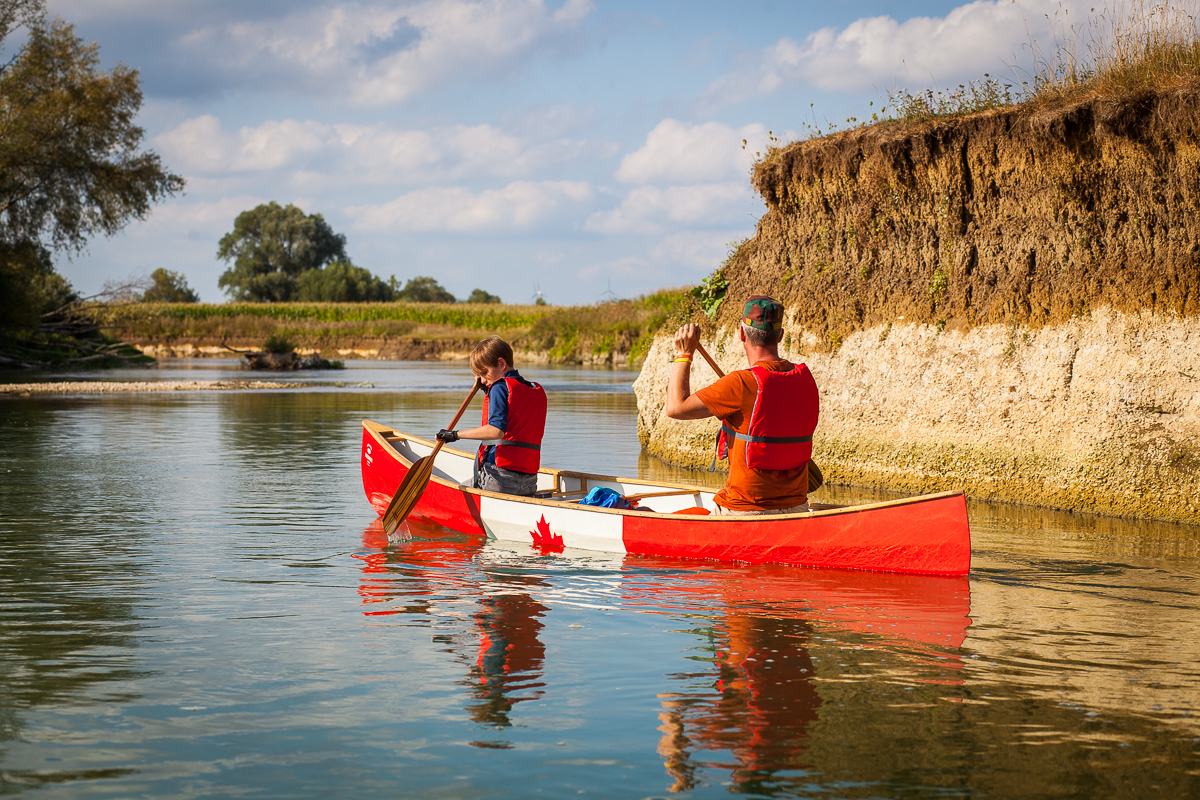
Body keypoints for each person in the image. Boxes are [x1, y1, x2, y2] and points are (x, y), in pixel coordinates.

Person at [664, 296, 818, 515]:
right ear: (780, 335)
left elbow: (675, 408)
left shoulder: (740, 384)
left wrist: (684, 354)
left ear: (741, 334)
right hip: (798, 507)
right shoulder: (805, 378)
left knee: (659, 512)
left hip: (745, 510)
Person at [436, 336, 547, 496]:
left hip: (499, 479)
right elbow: (514, 413)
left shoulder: (499, 387)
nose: (482, 380)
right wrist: (487, 389)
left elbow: (496, 431)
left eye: (484, 373)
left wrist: (454, 435)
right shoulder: (534, 389)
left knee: (450, 495)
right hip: (529, 481)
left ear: (501, 364)